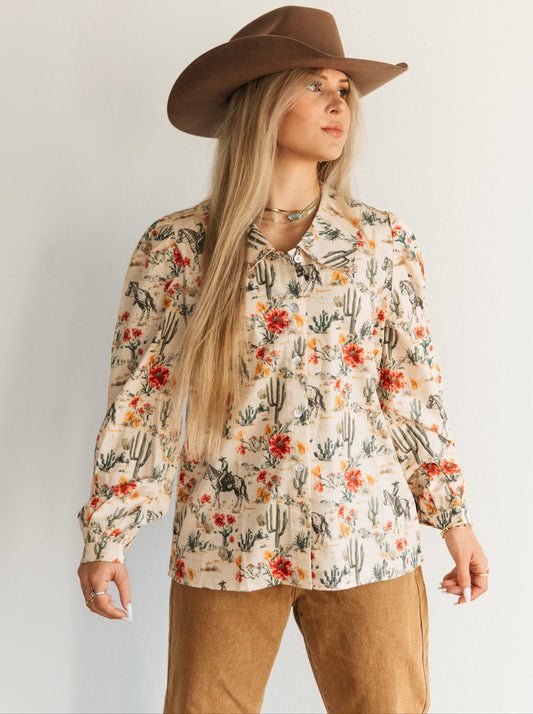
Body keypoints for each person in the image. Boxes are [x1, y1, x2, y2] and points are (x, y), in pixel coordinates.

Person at [77, 6, 489, 713]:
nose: (338, 104)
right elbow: (142, 400)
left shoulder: (379, 241)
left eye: (343, 89)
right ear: (260, 103)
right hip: (223, 541)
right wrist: (108, 535)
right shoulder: (178, 246)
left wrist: (453, 518)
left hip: (365, 537)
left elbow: (411, 390)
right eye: (313, 85)